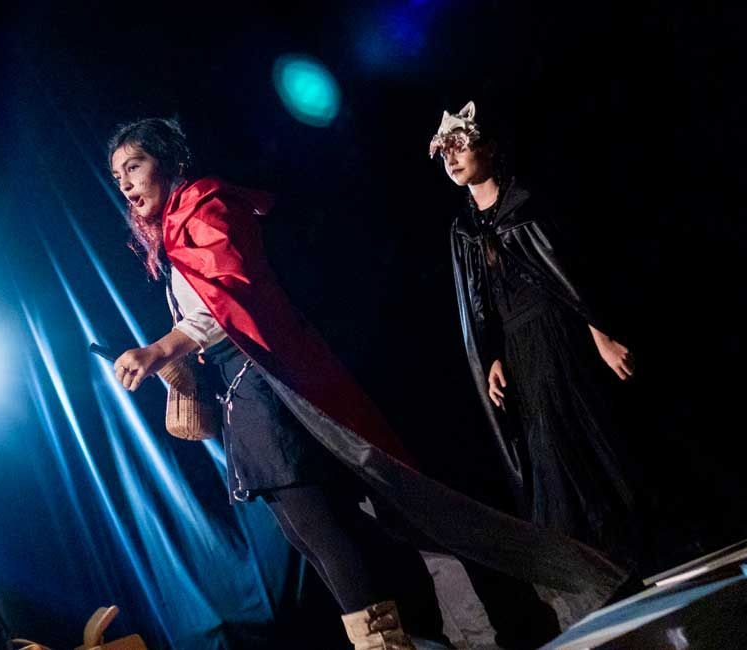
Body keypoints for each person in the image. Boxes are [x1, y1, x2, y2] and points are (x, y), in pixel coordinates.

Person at [107, 117, 624, 649]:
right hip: (250, 388)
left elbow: (231, 292)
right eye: (118, 175)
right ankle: (445, 629)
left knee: (348, 523)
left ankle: (493, 616)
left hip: (271, 383)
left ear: (169, 161)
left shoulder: (206, 206)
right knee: (326, 529)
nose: (125, 182)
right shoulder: (177, 226)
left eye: (134, 166)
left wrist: (160, 349)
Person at [433, 101, 640, 569]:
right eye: (445, 151)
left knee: (570, 437)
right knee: (544, 444)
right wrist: (492, 356)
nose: (452, 158)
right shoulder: (464, 228)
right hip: (516, 348)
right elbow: (481, 300)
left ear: (488, 148)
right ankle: (590, 559)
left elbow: (566, 276)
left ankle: (612, 549)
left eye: (460, 146)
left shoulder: (525, 204)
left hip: (555, 334)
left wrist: (600, 335)